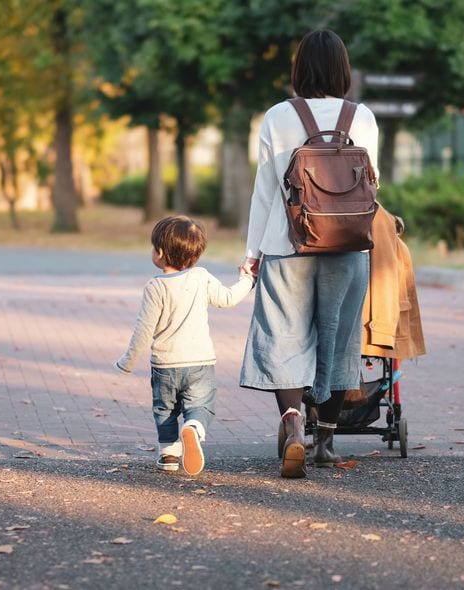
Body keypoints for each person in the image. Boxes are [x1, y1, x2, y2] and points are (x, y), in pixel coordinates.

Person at [239, 29, 379, 478]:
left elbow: (264, 190)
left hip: (286, 243)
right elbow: (372, 187)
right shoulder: (363, 118)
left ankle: (293, 422)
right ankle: (326, 443)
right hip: (347, 243)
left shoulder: (278, 117)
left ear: (299, 69)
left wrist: (253, 251)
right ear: (344, 70)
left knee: (284, 334)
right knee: (339, 340)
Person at [116, 215, 254, 476]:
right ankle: (194, 427)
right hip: (200, 362)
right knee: (200, 405)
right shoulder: (201, 277)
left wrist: (128, 360)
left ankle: (168, 454)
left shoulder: (155, 287)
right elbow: (227, 298)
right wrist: (247, 279)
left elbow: (144, 330)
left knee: (164, 409)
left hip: (166, 364)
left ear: (159, 253)